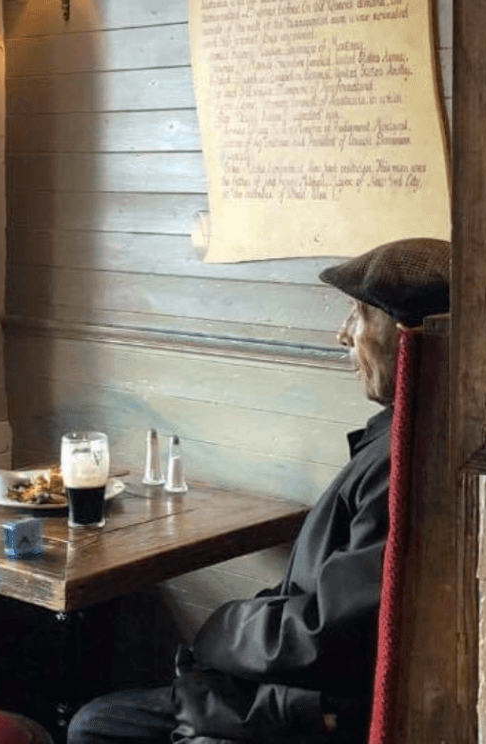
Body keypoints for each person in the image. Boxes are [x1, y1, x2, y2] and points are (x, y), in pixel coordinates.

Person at [67, 238, 450, 744]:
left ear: (412, 338)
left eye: (359, 316)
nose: (343, 335)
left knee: (95, 726)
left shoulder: (403, 462)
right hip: (293, 689)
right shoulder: (403, 436)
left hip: (310, 711)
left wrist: (220, 630)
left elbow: (328, 636)